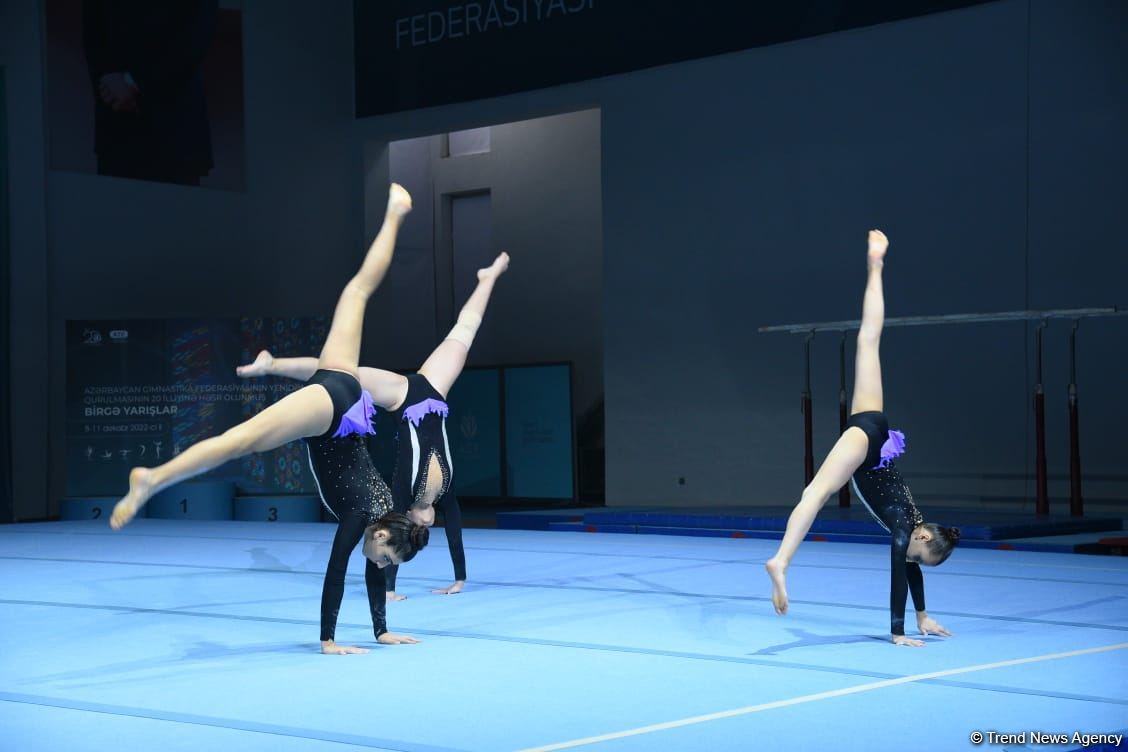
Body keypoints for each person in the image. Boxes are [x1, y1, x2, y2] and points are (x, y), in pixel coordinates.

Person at [237, 251, 511, 598]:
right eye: (428, 527)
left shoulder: (403, 493)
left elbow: (392, 537)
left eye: (417, 529)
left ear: (407, 519)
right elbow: (455, 530)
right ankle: (489, 277)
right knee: (464, 332)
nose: (427, 524)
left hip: (402, 396)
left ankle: (272, 364)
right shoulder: (444, 493)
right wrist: (461, 579)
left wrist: (389, 589)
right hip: (435, 389)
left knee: (341, 375)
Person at [764, 230, 960, 647]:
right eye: (919, 554)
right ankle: (780, 561)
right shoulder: (903, 530)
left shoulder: (915, 522)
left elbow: (911, 568)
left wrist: (923, 614)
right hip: (867, 448)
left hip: (875, 426)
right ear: (923, 537)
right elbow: (899, 572)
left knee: (869, 340)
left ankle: (876, 265)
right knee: (815, 494)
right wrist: (898, 632)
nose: (912, 557)